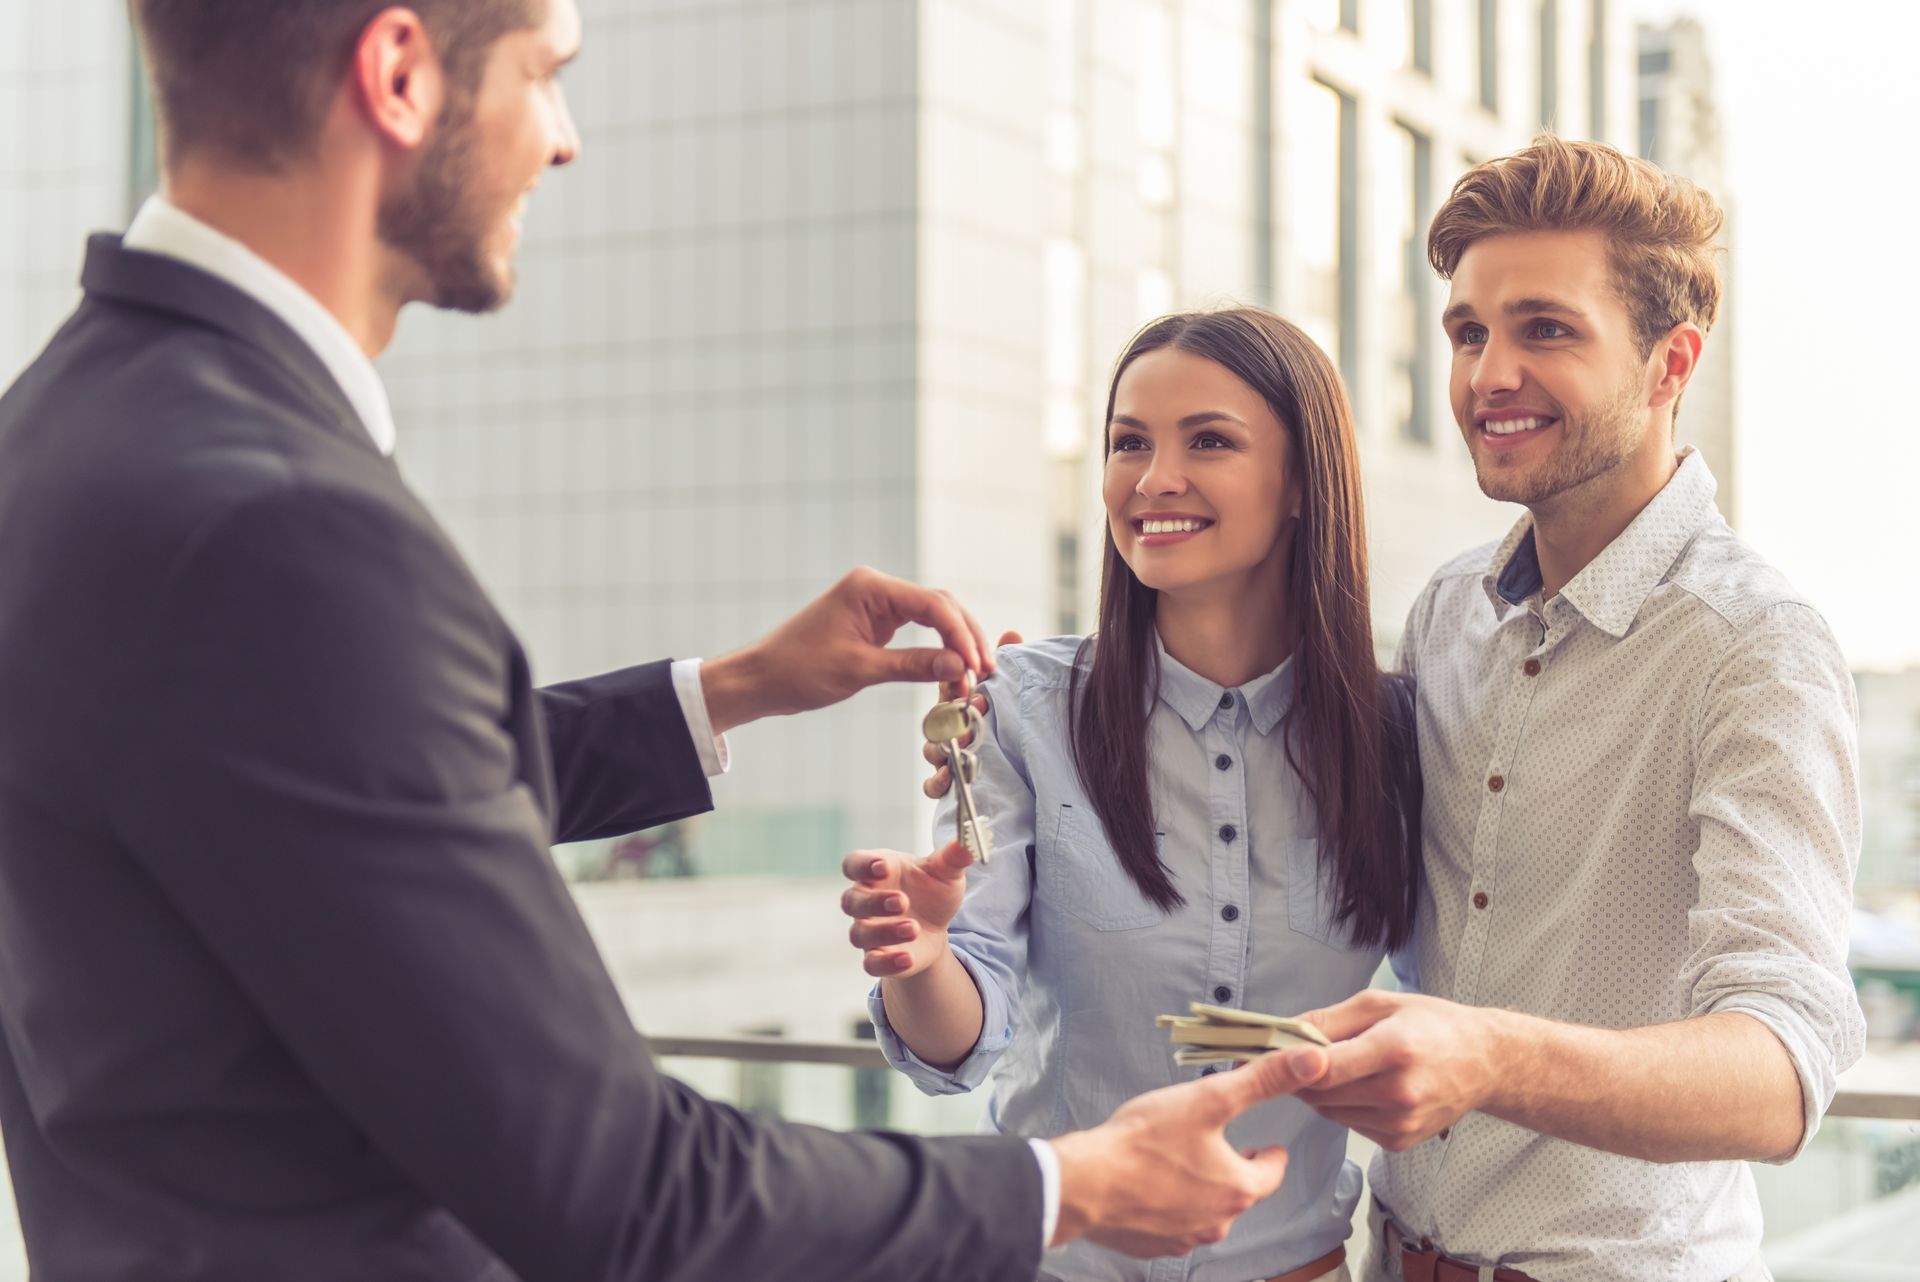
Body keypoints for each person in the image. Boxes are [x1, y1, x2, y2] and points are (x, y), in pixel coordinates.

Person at [0, 3, 1319, 1278]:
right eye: (543, 70)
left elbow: (335, 787)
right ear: (399, 74)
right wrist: (1069, 1183)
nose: (561, 137)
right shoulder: (284, 523)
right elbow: (624, 1189)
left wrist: (734, 689)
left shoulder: (59, 434)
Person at [1277, 137, 1863, 1282]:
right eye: (1468, 332)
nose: (1489, 373)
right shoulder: (1447, 610)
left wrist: (1486, 1057)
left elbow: (1783, 1069)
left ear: (1668, 363)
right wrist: (1031, 715)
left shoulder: (1756, 648)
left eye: (1545, 328)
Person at [841, 307, 1423, 1282]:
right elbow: (962, 1043)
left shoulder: (1399, 733)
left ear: (1300, 483)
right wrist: (922, 951)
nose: (1153, 479)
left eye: (1209, 441)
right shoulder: (1019, 709)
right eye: (1127, 443)